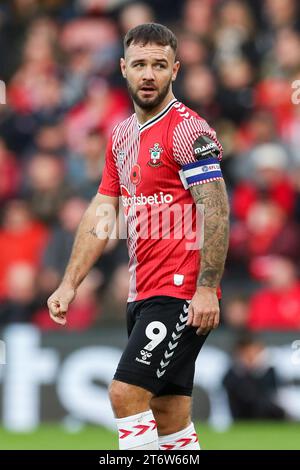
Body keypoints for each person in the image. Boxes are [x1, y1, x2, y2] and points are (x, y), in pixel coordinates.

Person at [47, 23, 230, 451]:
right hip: (142, 290)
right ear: (124, 68)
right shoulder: (121, 134)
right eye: (141, 65)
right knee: (169, 415)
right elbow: (102, 212)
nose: (149, 74)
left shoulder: (189, 131)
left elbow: (216, 211)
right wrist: (69, 283)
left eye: (160, 66)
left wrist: (206, 288)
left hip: (181, 292)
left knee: (125, 394)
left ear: (175, 71)